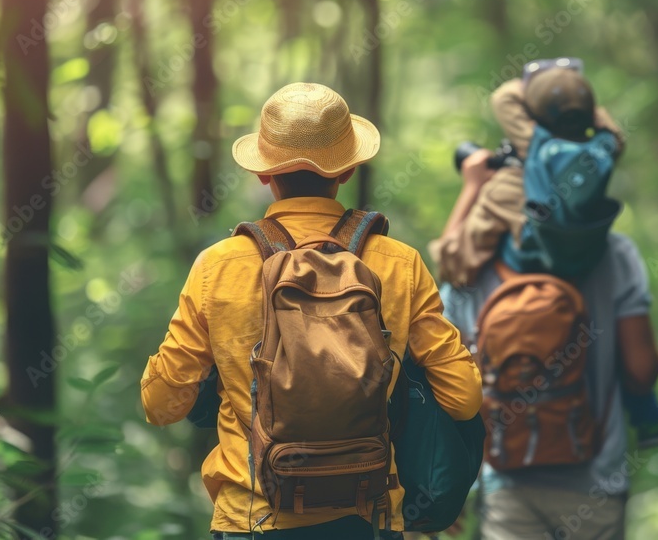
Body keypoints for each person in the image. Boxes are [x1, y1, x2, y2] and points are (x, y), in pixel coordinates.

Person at [141, 82, 483, 540]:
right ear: (347, 169)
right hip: (370, 517)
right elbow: (464, 398)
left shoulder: (218, 266)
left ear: (265, 174)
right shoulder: (399, 263)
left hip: (252, 517)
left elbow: (161, 406)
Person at [434, 68, 658, 540]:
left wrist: (472, 187)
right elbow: (642, 369)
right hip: (596, 479)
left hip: (508, 480)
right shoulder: (615, 254)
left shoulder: (474, 262)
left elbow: (450, 380)